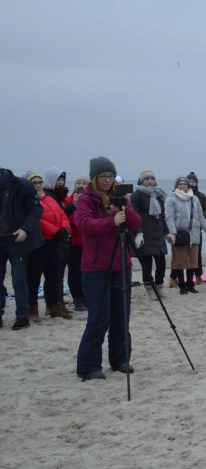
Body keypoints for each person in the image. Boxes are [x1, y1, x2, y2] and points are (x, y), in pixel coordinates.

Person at [75, 157, 142, 380]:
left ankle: (120, 359)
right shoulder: (86, 200)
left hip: (121, 263)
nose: (107, 180)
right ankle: (89, 366)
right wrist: (110, 221)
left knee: (121, 316)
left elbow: (134, 223)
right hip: (95, 267)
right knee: (99, 318)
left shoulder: (119, 196)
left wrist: (125, 206)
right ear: (95, 178)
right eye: (103, 176)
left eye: (111, 176)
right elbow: (84, 225)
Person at [24, 171, 72, 320]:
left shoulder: (49, 198)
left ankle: (54, 306)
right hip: (38, 243)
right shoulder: (27, 200)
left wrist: (65, 229)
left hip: (55, 242)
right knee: (33, 277)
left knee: (54, 276)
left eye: (40, 182)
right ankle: (32, 308)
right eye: (34, 183)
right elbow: (37, 220)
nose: (38, 185)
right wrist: (56, 231)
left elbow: (62, 214)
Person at [0, 166, 43, 331]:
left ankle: (22, 316)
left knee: (19, 280)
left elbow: (36, 210)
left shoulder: (22, 186)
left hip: (17, 239)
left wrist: (25, 229)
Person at [166, 175, 206, 294]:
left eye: (185, 184)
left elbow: (201, 218)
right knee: (179, 261)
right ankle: (182, 286)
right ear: (176, 186)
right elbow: (169, 218)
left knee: (192, 261)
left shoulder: (194, 199)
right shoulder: (171, 199)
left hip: (193, 234)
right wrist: (173, 233)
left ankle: (190, 285)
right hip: (179, 235)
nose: (183, 186)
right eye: (180, 184)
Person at [130, 169, 171, 301]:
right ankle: (150, 290)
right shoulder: (136, 195)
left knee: (161, 263)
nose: (150, 181)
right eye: (147, 179)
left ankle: (159, 287)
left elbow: (162, 217)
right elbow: (134, 216)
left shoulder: (158, 195)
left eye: (152, 179)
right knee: (147, 265)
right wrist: (138, 233)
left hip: (158, 234)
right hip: (144, 234)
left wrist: (167, 233)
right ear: (142, 181)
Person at [62, 174, 90, 311]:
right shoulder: (68, 200)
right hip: (74, 242)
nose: (81, 185)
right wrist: (74, 205)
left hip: (90, 242)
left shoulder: (92, 199)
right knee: (75, 272)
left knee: (89, 273)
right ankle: (78, 299)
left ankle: (87, 297)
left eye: (84, 183)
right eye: (78, 182)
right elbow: (66, 219)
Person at [186, 172, 206, 282]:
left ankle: (198, 275)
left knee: (197, 254)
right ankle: (174, 277)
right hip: (184, 230)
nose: (191, 183)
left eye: (193, 181)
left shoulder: (201, 196)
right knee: (183, 254)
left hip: (197, 229)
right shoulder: (182, 194)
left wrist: (200, 218)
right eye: (189, 181)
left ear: (196, 183)